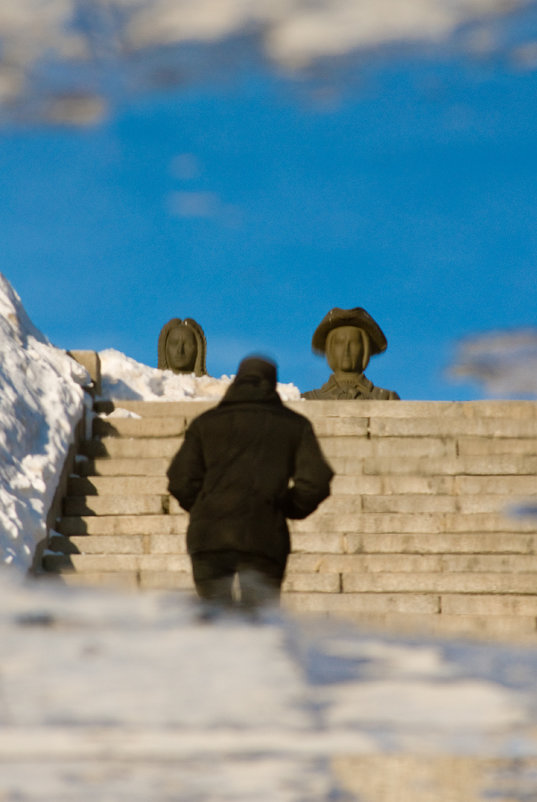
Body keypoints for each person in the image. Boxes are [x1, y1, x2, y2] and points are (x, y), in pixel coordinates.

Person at [167, 356, 333, 613]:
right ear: (272, 384)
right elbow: (316, 481)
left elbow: (180, 479)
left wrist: (204, 506)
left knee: (214, 618)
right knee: (256, 621)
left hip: (210, 538)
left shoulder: (205, 423)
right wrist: (286, 507)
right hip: (264, 536)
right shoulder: (294, 426)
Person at [302, 306, 400, 399]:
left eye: (354, 342)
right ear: (330, 348)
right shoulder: (308, 398)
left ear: (364, 349)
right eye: (339, 343)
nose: (346, 349)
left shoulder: (385, 397)